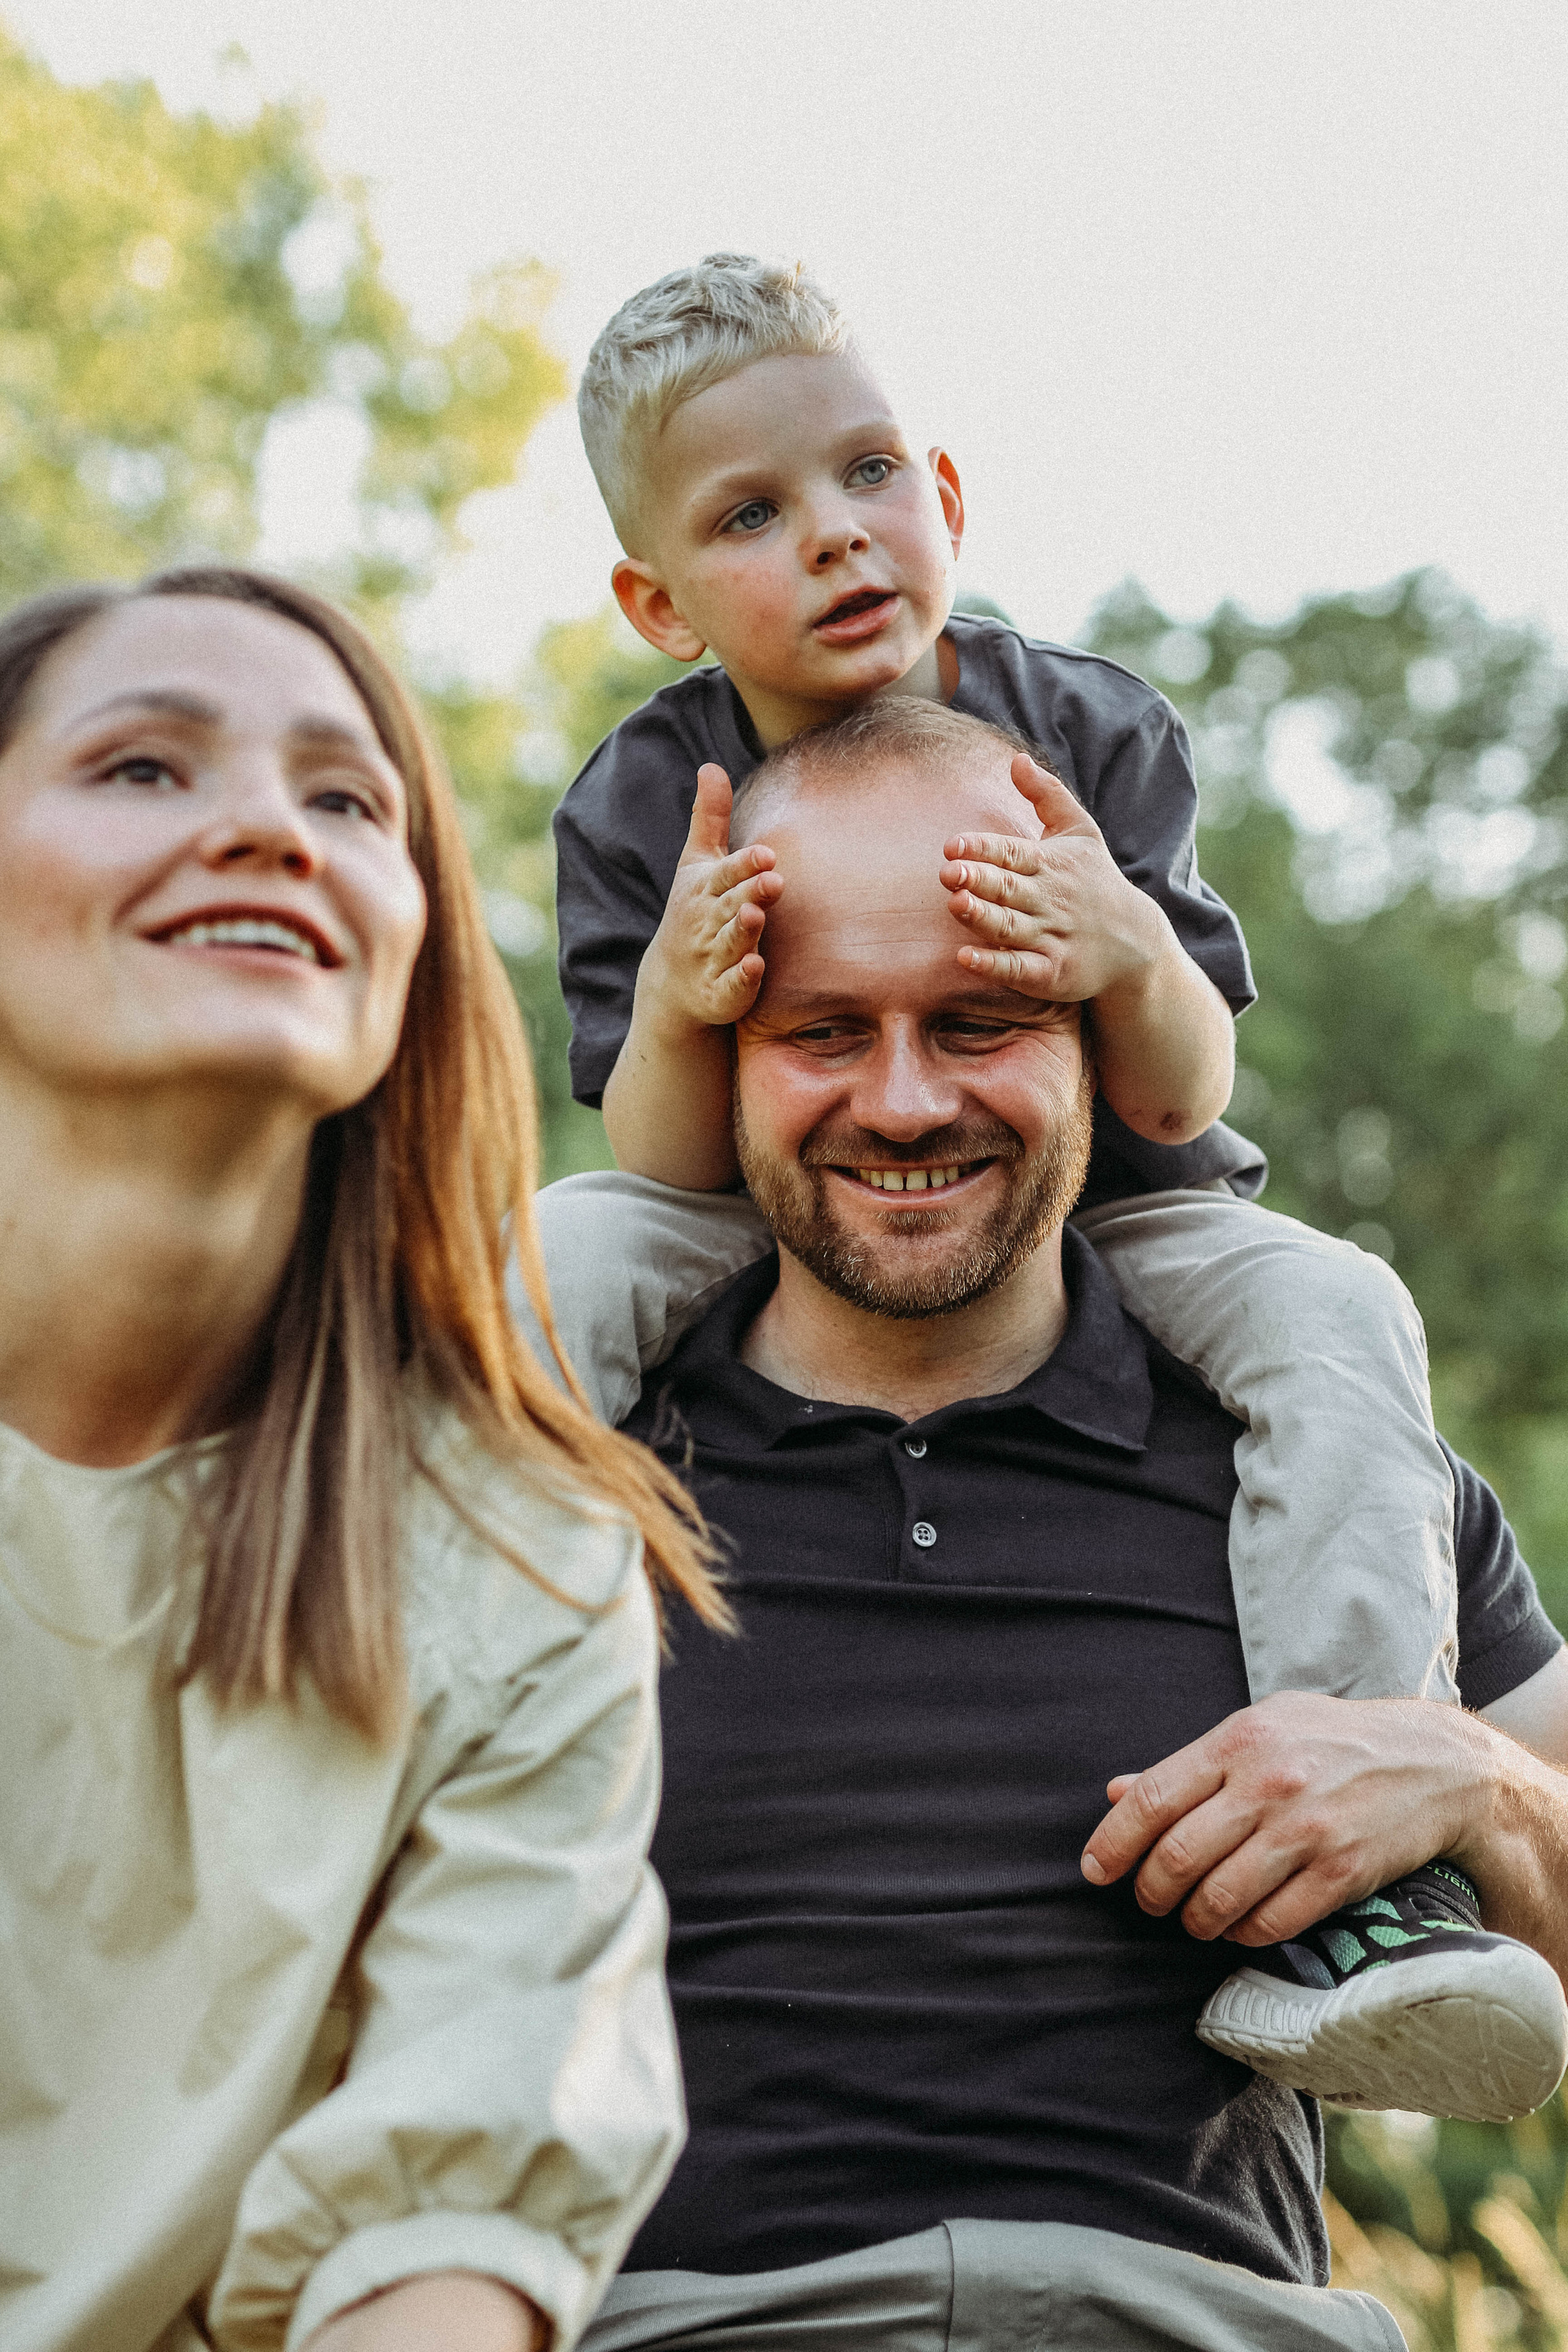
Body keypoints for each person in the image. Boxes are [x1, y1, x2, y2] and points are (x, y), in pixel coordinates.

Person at [547, 254, 1491, 2106]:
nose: (837, 537)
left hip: (1123, 1202)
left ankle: (1372, 1858)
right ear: (660, 600)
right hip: (768, 1208)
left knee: (1337, 1305)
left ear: (949, 495)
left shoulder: (1092, 734)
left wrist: (1117, 949)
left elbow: (1179, 1084)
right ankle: (479, 1694)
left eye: (871, 474)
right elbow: (660, 1161)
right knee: (551, 1260)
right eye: (755, 513)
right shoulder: (643, 802)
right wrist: (682, 1005)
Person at [527, 703, 1568, 2352]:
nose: (906, 1099)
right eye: (822, 1033)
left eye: (983, 1019)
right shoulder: (535, 1464)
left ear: (1102, 1042)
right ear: (719, 1053)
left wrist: (1474, 1786)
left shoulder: (1332, 1471)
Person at [0, 567, 726, 2352]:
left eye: (347, 799)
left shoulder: (522, 1554)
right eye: (144, 769)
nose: (265, 825)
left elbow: (448, 2230)